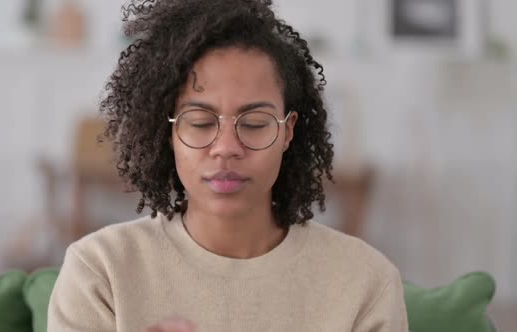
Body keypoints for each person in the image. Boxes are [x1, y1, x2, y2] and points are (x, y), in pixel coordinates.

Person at [47, 0, 408, 331]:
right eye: (201, 122)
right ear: (168, 130)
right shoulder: (101, 271)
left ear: (288, 132)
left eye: (253, 124)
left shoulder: (365, 282)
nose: (226, 148)